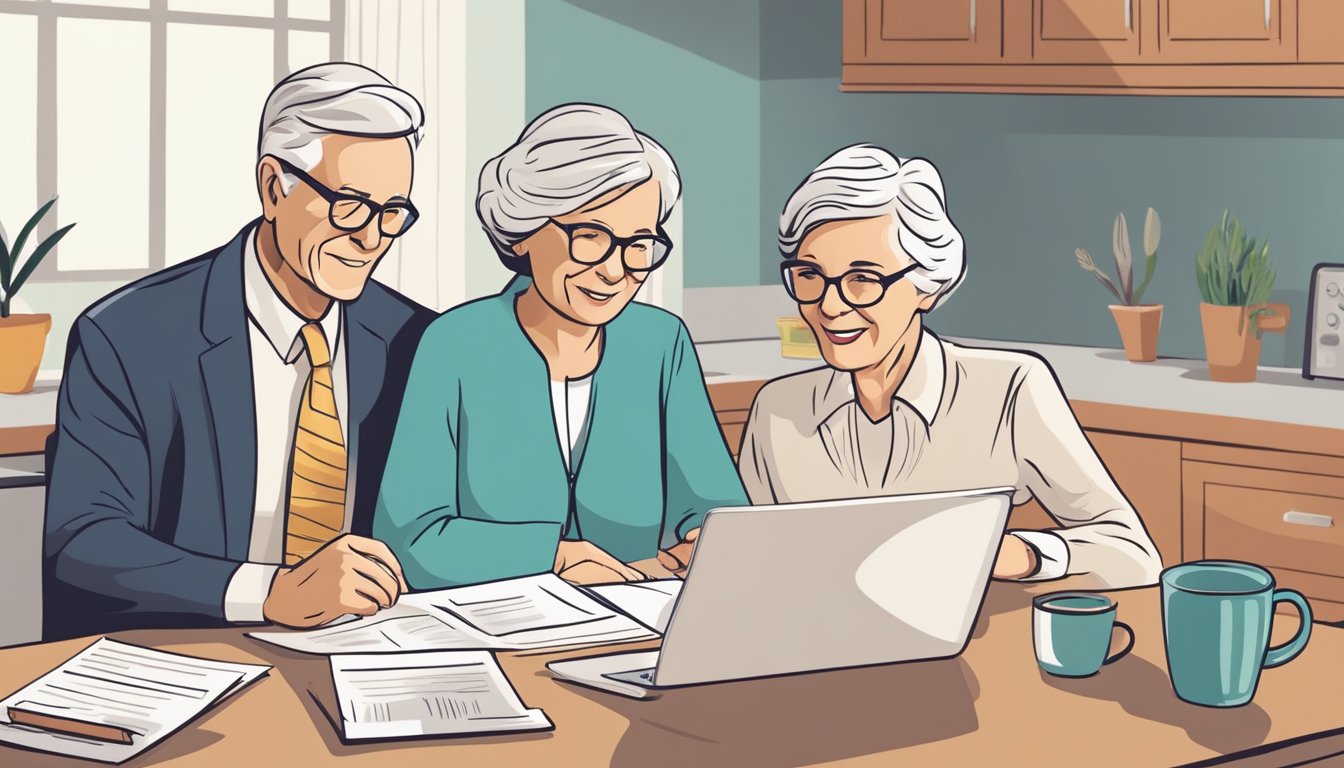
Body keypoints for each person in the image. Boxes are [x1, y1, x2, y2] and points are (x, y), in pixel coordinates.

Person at [43, 63, 434, 639]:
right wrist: (270, 592)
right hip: (192, 649)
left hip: (369, 653)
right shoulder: (130, 334)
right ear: (275, 187)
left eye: (392, 211)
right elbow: (84, 543)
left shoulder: (412, 338)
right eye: (349, 205)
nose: (372, 237)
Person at [740, 145, 1162, 589]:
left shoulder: (1009, 390)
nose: (829, 305)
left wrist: (1027, 555)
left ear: (927, 285)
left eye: (862, 279)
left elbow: (1134, 554)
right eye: (809, 275)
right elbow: (747, 569)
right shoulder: (777, 412)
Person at [375, 103, 746, 589]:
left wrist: (705, 538)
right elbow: (409, 541)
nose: (615, 270)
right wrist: (550, 556)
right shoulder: (455, 344)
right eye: (590, 236)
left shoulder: (660, 343)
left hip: (637, 630)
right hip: (496, 633)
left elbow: (718, 512)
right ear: (524, 231)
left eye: (639, 244)